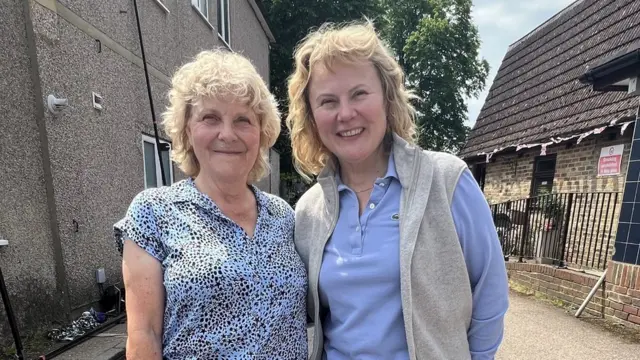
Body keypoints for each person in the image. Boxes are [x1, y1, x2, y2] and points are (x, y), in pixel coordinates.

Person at [287, 20, 509, 360]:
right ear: (312, 116)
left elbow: (490, 294)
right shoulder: (308, 212)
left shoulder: (447, 181)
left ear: (387, 98)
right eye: (328, 101)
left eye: (359, 93)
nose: (346, 113)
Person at [113, 50, 307, 359]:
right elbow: (143, 335)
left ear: (261, 133)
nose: (227, 134)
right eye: (210, 118)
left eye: (243, 120)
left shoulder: (283, 215)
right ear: (188, 130)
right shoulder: (154, 212)